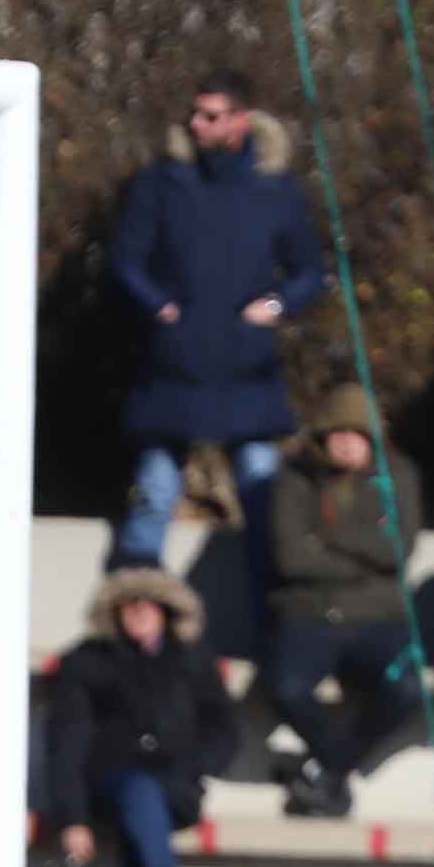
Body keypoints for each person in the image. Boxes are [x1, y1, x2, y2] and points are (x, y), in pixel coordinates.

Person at [107, 71, 325, 597]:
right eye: (194, 113)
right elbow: (127, 260)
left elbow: (310, 271)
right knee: (156, 488)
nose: (197, 123)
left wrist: (275, 305)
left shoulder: (275, 189)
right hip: (175, 364)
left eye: (211, 114)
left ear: (239, 120)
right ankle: (133, 603)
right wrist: (159, 305)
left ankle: (274, 608)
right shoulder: (162, 184)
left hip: (248, 366)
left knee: (260, 488)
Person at [262, 383, 424, 820]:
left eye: (358, 434)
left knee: (407, 689)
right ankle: (336, 768)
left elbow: (398, 548)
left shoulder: (399, 475)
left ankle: (331, 771)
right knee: (286, 687)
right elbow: (291, 556)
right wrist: (364, 558)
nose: (348, 443)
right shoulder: (293, 477)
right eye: (339, 433)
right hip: (309, 611)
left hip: (378, 616)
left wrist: (327, 541)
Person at [45, 566, 238, 867]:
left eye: (149, 603)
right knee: (140, 792)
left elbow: (223, 725)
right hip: (109, 784)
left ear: (166, 610)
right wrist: (72, 818)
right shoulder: (88, 662)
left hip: (177, 784)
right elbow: (68, 740)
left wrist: (198, 765)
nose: (139, 611)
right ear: (114, 613)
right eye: (129, 604)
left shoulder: (192, 659)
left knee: (145, 816)